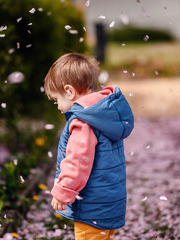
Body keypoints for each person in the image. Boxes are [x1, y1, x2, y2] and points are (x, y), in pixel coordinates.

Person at [44, 53, 134, 240]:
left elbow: (78, 161)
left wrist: (63, 192)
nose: (58, 107)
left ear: (69, 92)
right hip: (109, 204)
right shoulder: (105, 114)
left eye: (56, 100)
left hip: (91, 209)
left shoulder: (83, 123)